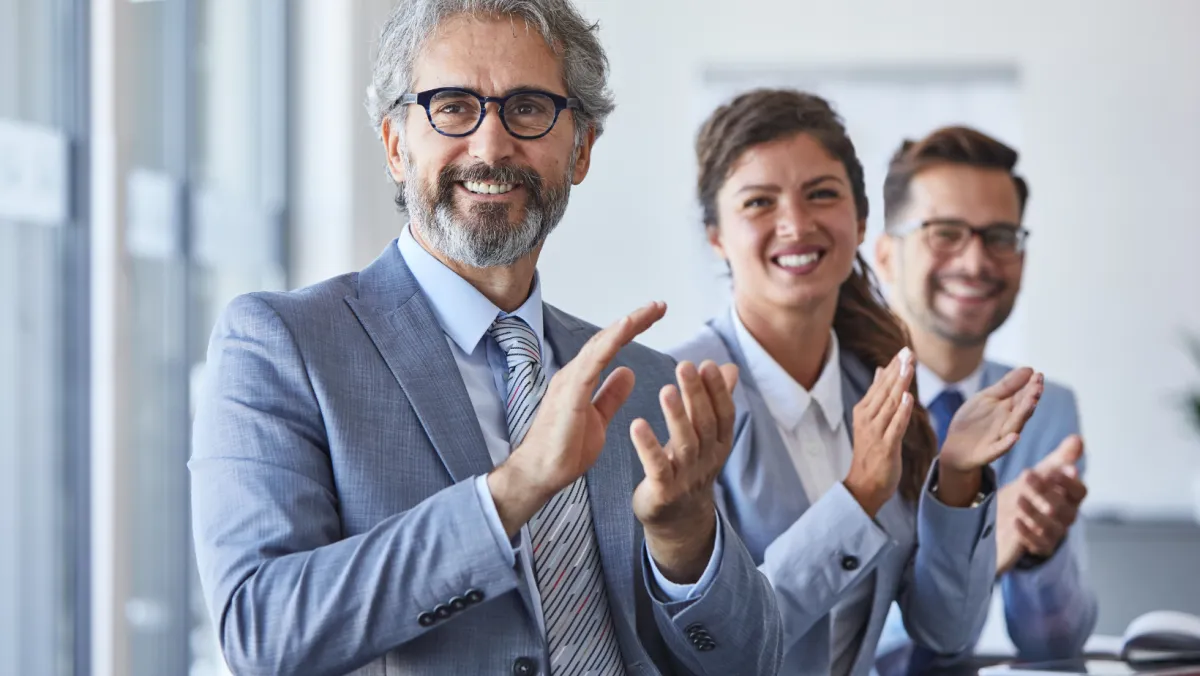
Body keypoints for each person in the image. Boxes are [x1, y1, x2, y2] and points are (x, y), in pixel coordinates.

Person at [188, 2, 782, 674]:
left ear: (581, 149)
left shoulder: (642, 384)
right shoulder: (282, 346)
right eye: (452, 106)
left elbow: (751, 662)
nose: (492, 146)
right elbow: (262, 634)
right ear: (394, 144)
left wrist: (685, 540)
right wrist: (514, 490)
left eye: (528, 108)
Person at [671, 88, 1046, 676]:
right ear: (716, 234)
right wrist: (859, 496)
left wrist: (956, 478)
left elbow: (945, 631)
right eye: (759, 202)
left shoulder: (877, 386)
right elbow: (715, 648)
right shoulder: (675, 392)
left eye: (821, 194)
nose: (796, 224)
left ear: (861, 219)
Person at [873, 126, 1097, 668]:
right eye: (945, 232)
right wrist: (977, 556)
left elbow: (1054, 646)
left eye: (1000, 236)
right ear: (884, 257)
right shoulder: (847, 403)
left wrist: (1038, 553)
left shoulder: (1044, 407)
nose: (976, 263)